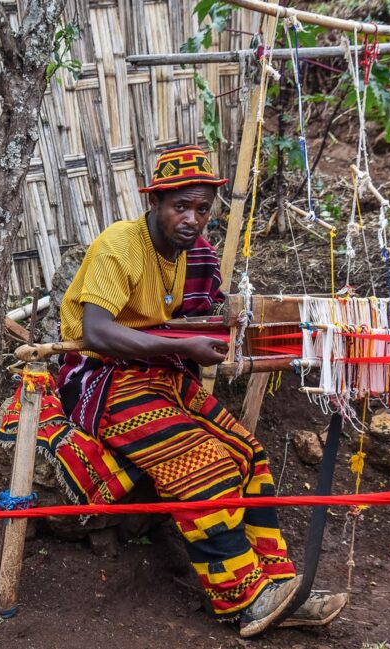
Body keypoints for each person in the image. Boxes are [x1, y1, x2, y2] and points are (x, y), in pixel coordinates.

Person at [56, 144, 348, 637]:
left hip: (162, 374)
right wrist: (189, 345)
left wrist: (237, 339)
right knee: (204, 464)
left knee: (248, 453)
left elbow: (205, 319)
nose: (192, 218)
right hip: (100, 377)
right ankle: (244, 599)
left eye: (203, 209)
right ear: (156, 201)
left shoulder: (200, 255)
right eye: (181, 206)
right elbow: (99, 332)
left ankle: (281, 587)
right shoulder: (119, 245)